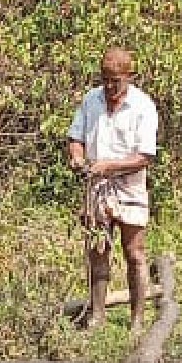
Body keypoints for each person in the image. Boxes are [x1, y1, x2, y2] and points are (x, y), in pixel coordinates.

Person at [67, 47, 159, 331]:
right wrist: (77, 157)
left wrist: (110, 167)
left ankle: (137, 320)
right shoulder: (91, 100)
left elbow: (145, 156)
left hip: (130, 185)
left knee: (134, 253)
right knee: (98, 249)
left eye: (115, 81)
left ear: (129, 77)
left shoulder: (143, 106)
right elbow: (76, 137)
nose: (109, 86)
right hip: (97, 185)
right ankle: (97, 316)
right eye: (105, 79)